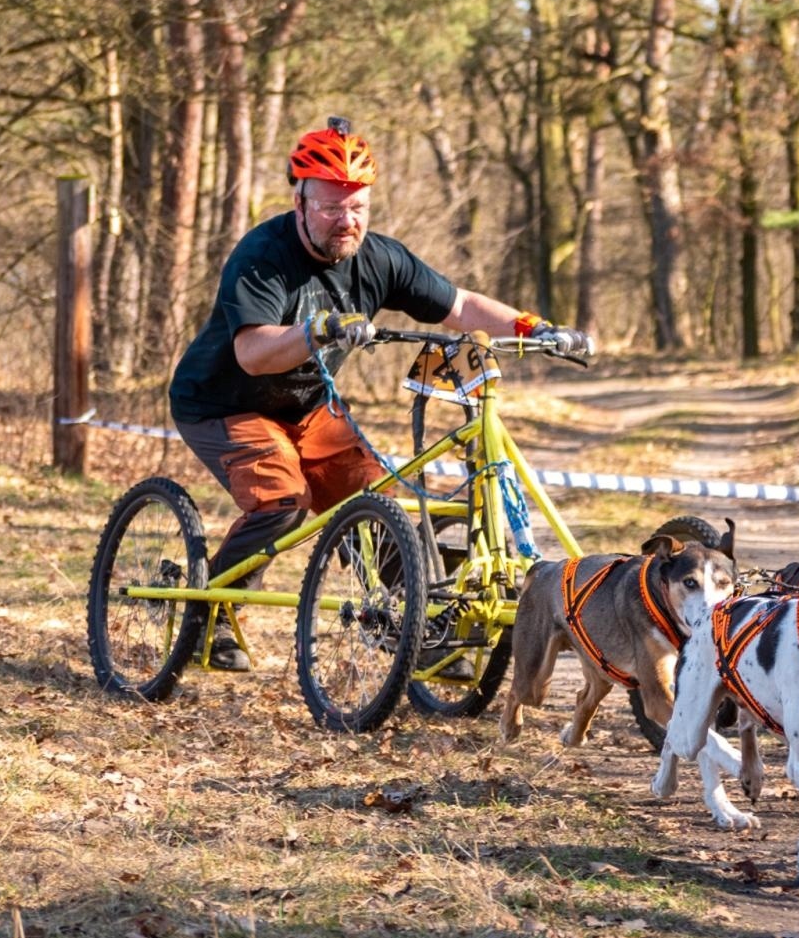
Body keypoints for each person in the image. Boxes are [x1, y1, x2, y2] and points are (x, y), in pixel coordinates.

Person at [170, 116, 590, 670]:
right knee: (283, 501)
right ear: (299, 202)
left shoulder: (380, 259)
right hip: (224, 402)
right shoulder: (261, 255)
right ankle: (211, 618)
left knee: (374, 504)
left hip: (305, 405)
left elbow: (461, 306)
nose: (345, 220)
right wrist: (317, 329)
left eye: (358, 208)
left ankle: (410, 628)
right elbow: (251, 352)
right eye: (329, 207)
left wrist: (533, 328)